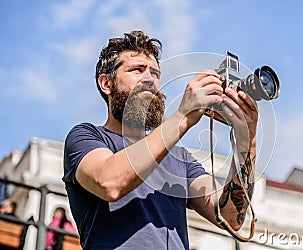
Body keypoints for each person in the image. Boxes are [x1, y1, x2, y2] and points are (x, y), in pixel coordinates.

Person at [63, 30, 258, 249]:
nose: (149, 79)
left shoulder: (179, 158)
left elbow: (230, 217)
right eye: (137, 70)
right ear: (106, 84)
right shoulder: (86, 137)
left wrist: (246, 139)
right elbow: (110, 183)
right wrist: (183, 117)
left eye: (155, 73)